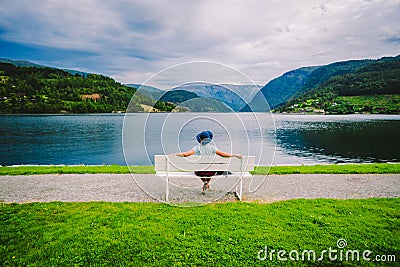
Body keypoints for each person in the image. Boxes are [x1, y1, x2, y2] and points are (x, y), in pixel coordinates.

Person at [172, 130, 242, 191]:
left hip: (200, 172)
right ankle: (207, 183)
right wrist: (235, 155)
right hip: (211, 172)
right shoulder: (213, 148)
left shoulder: (197, 148)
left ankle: (205, 182)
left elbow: (186, 154)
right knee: (211, 169)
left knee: (198, 170)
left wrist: (175, 154)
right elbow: (223, 155)